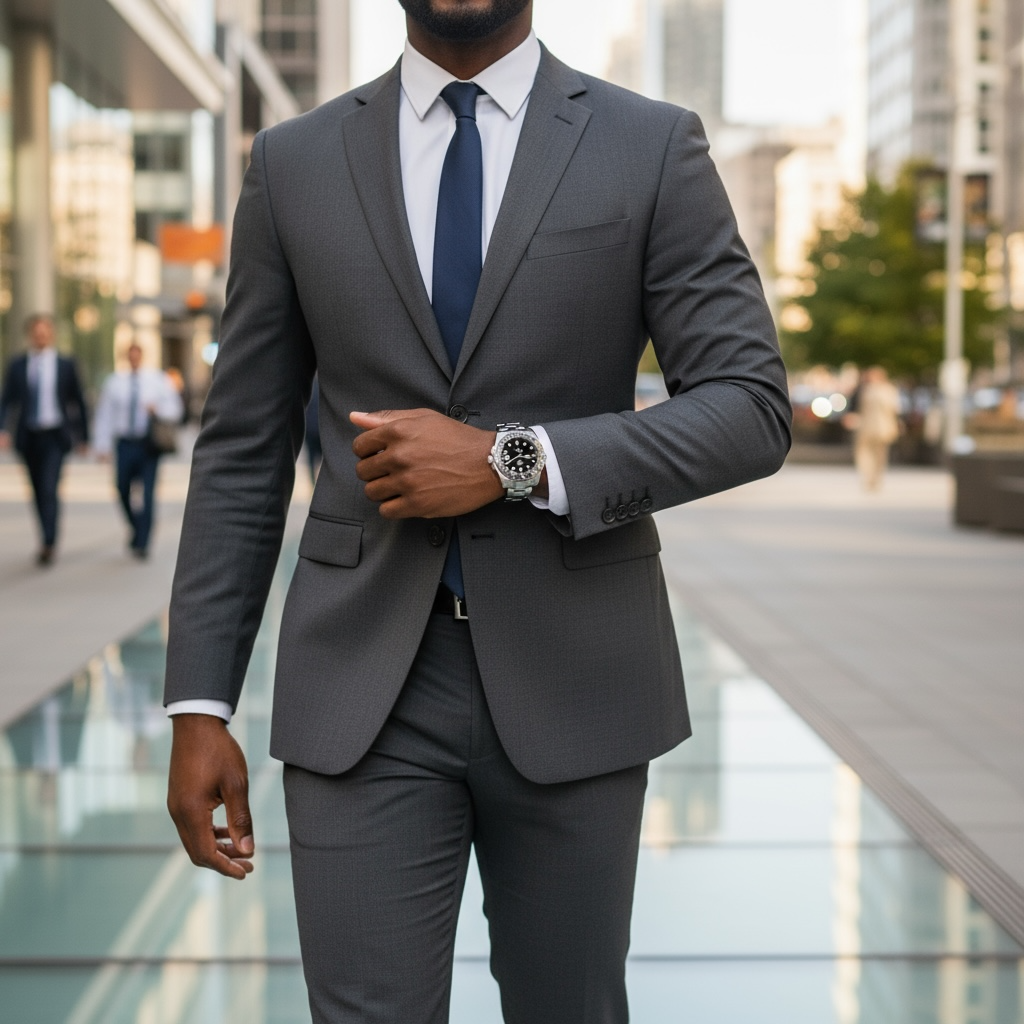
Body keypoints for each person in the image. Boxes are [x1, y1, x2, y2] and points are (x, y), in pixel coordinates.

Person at [163, 3, 792, 1022]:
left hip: (579, 678)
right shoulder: (292, 162)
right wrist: (200, 703)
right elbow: (242, 450)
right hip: (360, 691)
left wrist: (513, 460)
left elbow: (749, 407)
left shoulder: (649, 144)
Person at [0, 313, 89, 565]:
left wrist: (84, 437)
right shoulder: (17, 365)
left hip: (55, 436)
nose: (40, 336)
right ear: (30, 335)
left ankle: (49, 542)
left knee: (49, 488)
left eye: (45, 332)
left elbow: (78, 401)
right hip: (29, 436)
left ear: (51, 334)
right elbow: (7, 400)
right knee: (37, 490)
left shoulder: (65, 364)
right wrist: (2, 429)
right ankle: (45, 536)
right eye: (36, 333)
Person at [93, 342, 183, 558]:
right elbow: (105, 415)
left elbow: (176, 409)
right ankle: (136, 527)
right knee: (122, 488)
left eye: (137, 355)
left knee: (148, 493)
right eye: (130, 355)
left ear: (142, 356)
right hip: (125, 443)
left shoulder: (158, 380)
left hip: (148, 444)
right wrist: (102, 445)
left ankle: (143, 542)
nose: (134, 359)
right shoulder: (115, 382)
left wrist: (157, 409)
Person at [852, 365, 901, 492]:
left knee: (880, 454)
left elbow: (894, 409)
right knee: (865, 453)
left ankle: (875, 477)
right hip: (867, 426)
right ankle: (868, 476)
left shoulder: (888, 390)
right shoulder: (866, 390)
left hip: (882, 427)